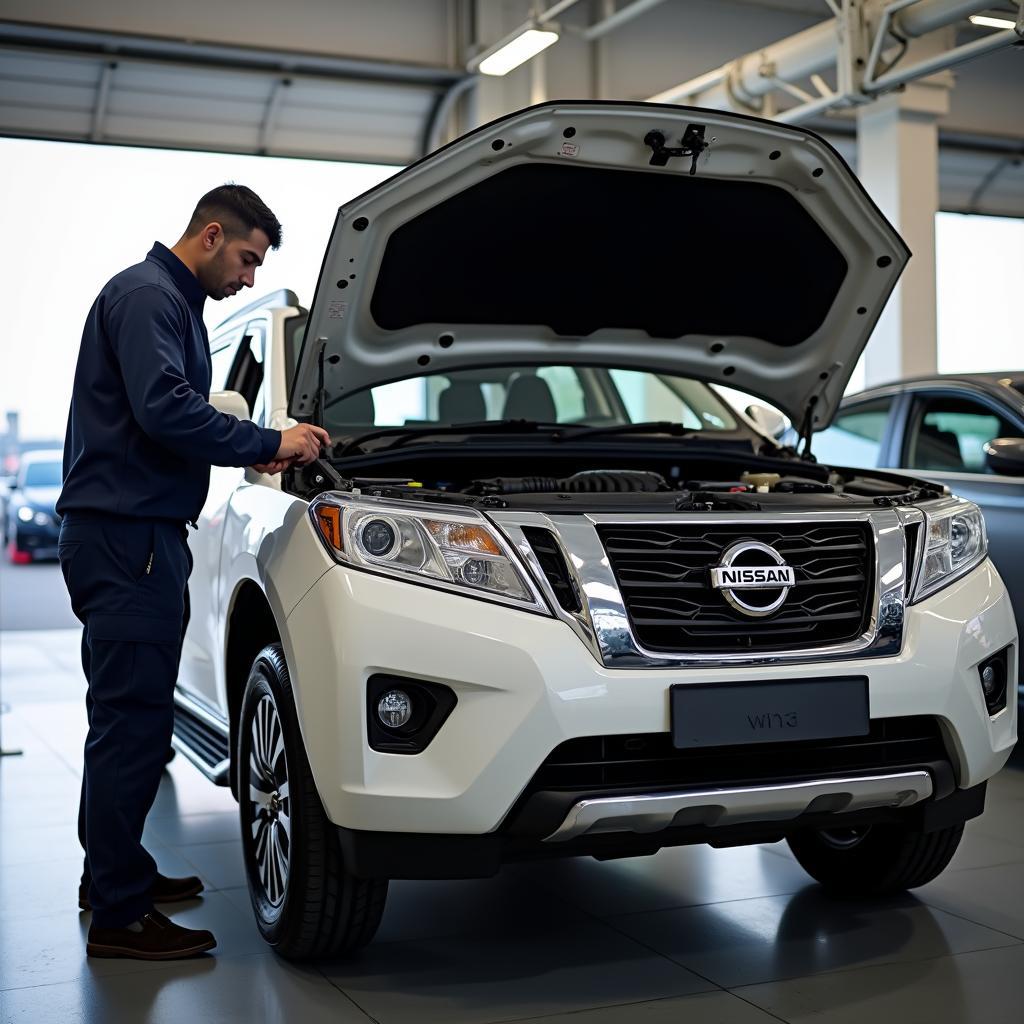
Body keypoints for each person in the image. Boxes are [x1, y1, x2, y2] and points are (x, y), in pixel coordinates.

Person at [55, 184, 330, 960]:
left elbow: (168, 412)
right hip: (127, 537)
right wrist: (270, 437)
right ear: (212, 235)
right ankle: (117, 913)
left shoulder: (164, 302)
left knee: (127, 719)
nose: (248, 278)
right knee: (132, 726)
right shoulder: (149, 299)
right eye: (246, 259)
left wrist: (259, 444)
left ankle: (115, 873)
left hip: (129, 533)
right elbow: (166, 409)